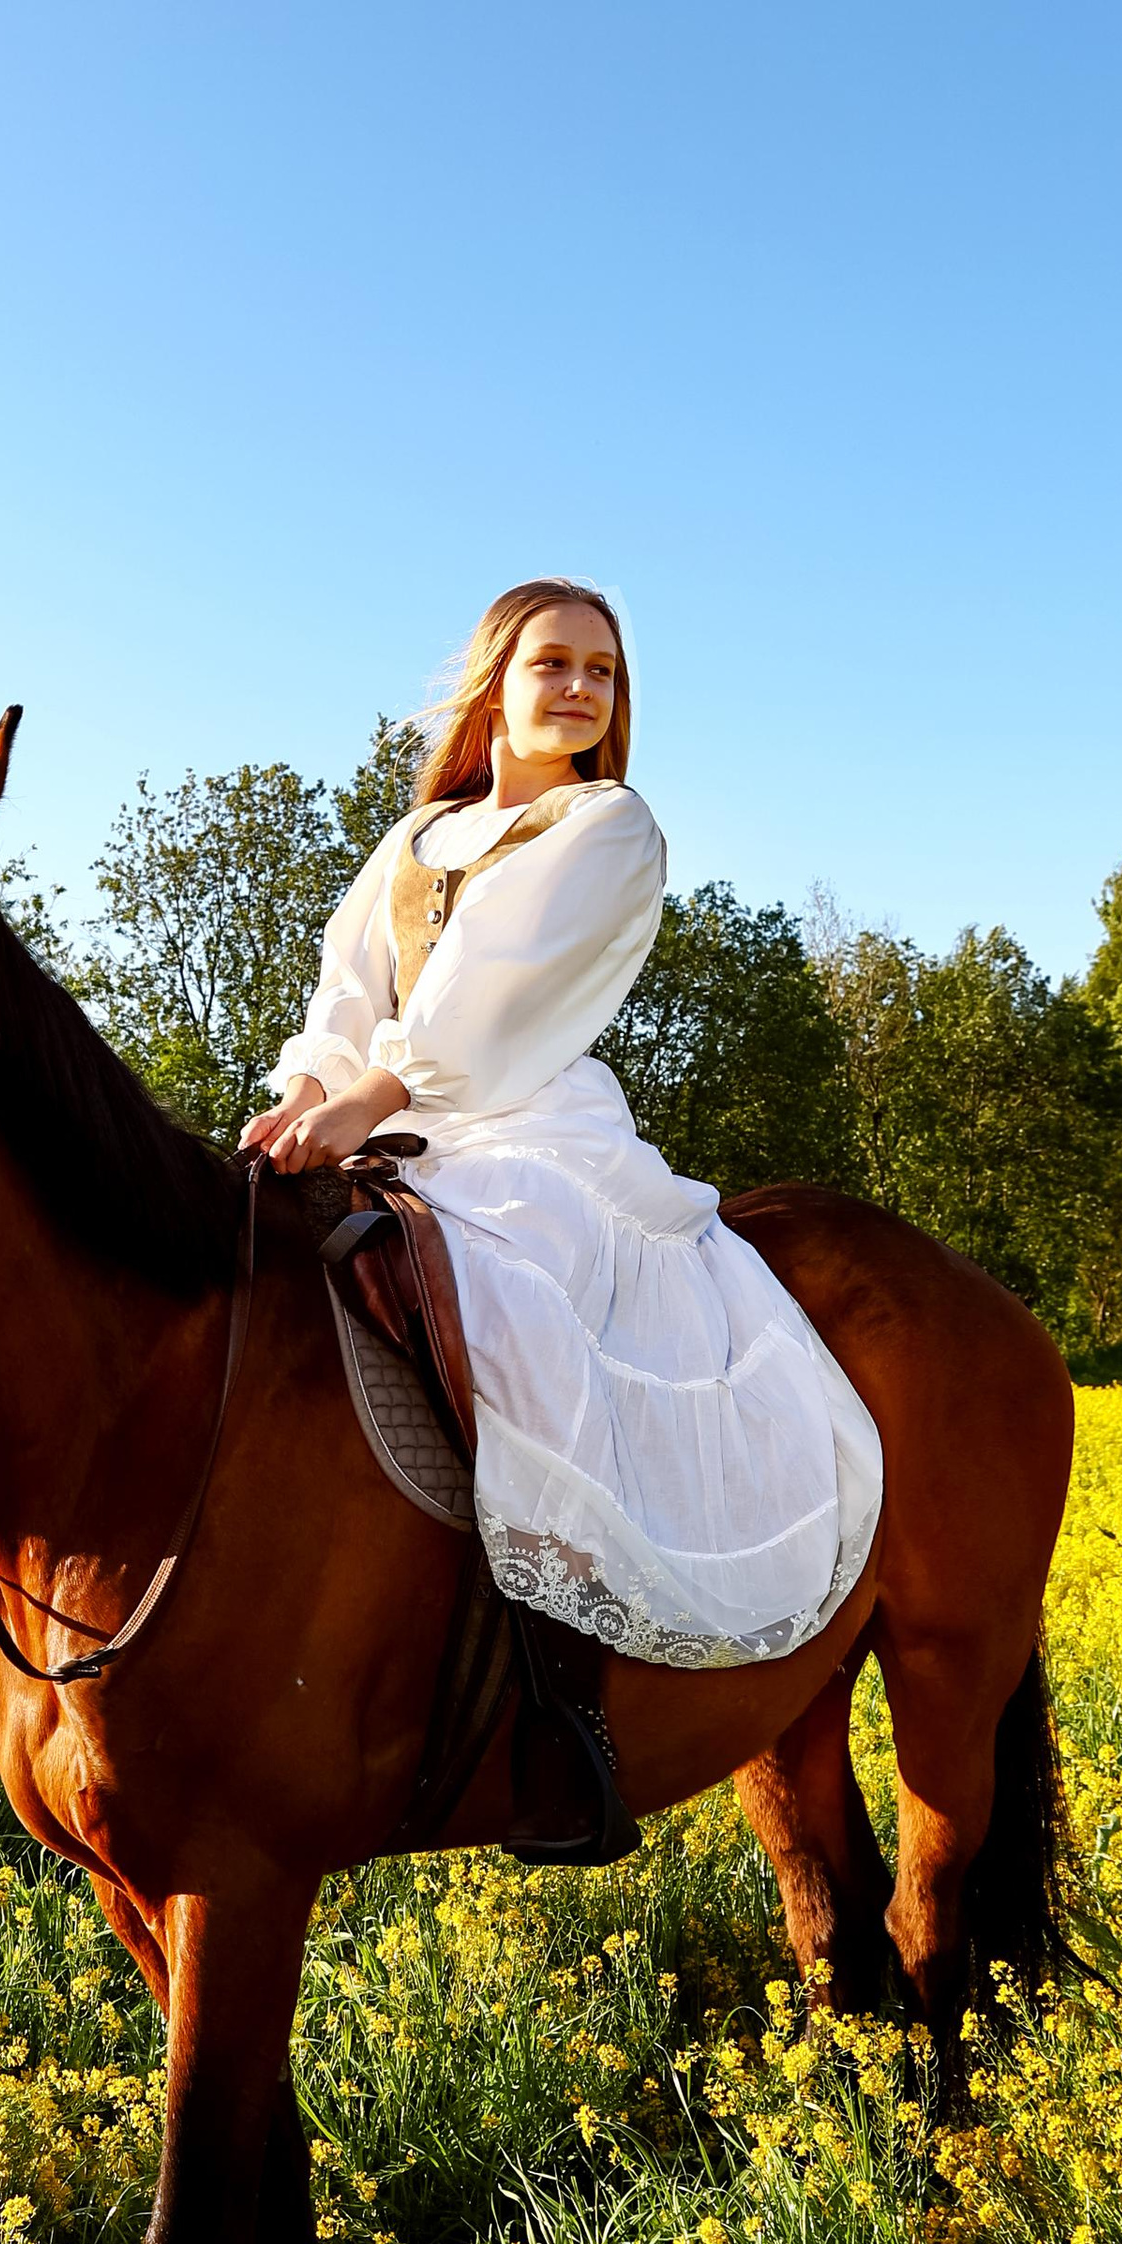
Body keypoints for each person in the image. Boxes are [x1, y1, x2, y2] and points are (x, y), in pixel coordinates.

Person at [243, 582, 881, 1680]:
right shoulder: (417, 835)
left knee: (514, 1280)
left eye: (602, 671)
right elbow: (348, 985)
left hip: (522, 1119)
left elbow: (500, 989)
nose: (582, 688)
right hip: (382, 1112)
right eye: (555, 664)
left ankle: (551, 1644)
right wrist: (309, 1089)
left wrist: (368, 1101)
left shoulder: (606, 824)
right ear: (495, 681)